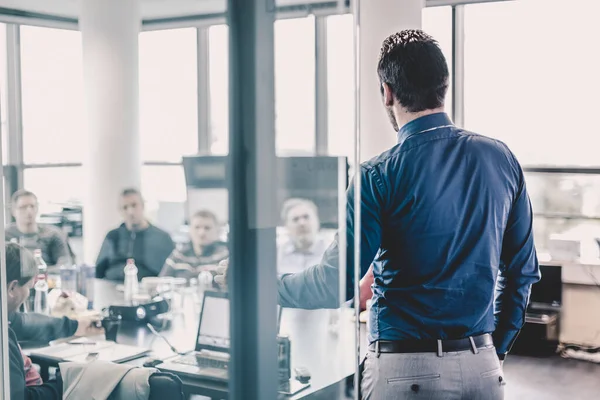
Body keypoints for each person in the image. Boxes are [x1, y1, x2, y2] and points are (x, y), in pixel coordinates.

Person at [218, 30, 540, 399]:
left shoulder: (377, 175)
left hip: (405, 373)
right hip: (482, 369)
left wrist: (253, 284)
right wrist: (491, 352)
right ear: (444, 86)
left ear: (387, 92)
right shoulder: (501, 158)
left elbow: (333, 284)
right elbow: (521, 274)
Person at [4, 242, 103, 399]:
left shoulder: (4, 317)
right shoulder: (3, 340)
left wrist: (76, 325)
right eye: (29, 287)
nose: (28, 293)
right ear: (12, 288)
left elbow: (25, 323)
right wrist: (68, 380)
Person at [96, 188, 175, 281]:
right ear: (120, 211)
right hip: (113, 287)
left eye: (134, 205)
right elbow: (98, 272)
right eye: (125, 207)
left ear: (143, 205)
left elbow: (172, 275)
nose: (130, 212)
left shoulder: (162, 238)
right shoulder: (113, 237)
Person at [5, 190, 72, 271]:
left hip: (47, 280)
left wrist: (39, 272)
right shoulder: (5, 235)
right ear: (13, 211)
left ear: (37, 208)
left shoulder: (52, 234)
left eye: (32, 206)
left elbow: (65, 265)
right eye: (23, 207)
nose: (29, 211)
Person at [159, 210, 228, 280]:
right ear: (190, 230)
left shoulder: (225, 256)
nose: (201, 233)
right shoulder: (178, 255)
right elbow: (162, 283)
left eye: (207, 228)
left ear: (217, 231)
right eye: (197, 227)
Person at [277, 198, 328, 275]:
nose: (302, 223)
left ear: (317, 221)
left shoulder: (332, 253)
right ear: (286, 226)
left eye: (306, 217)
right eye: (295, 219)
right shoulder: (276, 255)